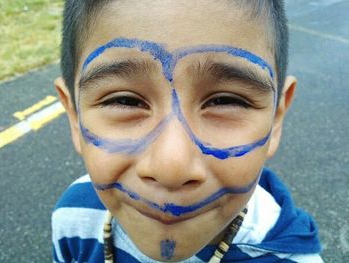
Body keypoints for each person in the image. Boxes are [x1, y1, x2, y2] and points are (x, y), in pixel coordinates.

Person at [52, 0, 323, 262]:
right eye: (125, 101)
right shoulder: (72, 217)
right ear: (75, 117)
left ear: (276, 119)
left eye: (225, 101)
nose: (172, 168)